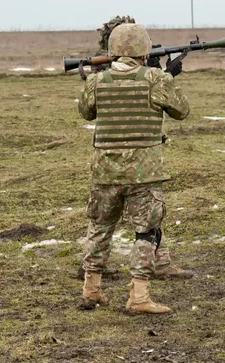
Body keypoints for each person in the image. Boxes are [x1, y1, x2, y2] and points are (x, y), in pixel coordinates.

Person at [78, 22, 190, 314]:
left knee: (99, 228)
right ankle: (139, 297)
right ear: (144, 49)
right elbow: (182, 111)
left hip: (105, 171)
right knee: (146, 232)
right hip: (145, 173)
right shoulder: (155, 79)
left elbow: (86, 112)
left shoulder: (97, 81)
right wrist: (168, 77)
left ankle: (91, 289)